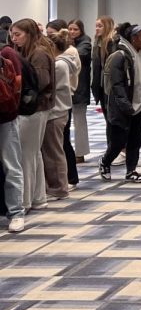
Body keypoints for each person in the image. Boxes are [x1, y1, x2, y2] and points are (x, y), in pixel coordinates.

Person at [99, 23, 141, 183]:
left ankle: (131, 171)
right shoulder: (120, 56)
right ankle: (105, 162)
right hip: (122, 108)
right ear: (133, 39)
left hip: (139, 106)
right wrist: (125, 105)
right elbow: (116, 85)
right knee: (118, 142)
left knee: (136, 141)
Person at [10, 19, 55, 212]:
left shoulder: (38, 54)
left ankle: (26, 200)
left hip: (35, 109)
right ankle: (38, 198)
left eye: (17, 34)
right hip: (38, 108)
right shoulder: (32, 52)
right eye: (12, 34)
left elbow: (41, 82)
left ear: (29, 34)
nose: (13, 38)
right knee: (33, 153)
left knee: (26, 155)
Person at [47, 18, 81, 189]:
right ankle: (68, 179)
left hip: (61, 105)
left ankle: (66, 181)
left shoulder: (63, 61)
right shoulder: (63, 60)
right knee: (63, 143)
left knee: (62, 145)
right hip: (65, 103)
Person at [42, 29, 76, 200]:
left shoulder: (59, 65)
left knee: (54, 152)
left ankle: (59, 187)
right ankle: (56, 186)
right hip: (60, 110)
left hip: (56, 112)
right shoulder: (62, 63)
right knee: (55, 150)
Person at [0, 40, 25, 232]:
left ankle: (17, 213)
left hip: (6, 119)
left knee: (11, 165)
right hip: (8, 118)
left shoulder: (5, 58)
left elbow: (16, 86)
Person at [67, 19, 92, 161]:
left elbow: (77, 55)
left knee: (79, 122)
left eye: (75, 29)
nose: (72, 32)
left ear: (81, 30)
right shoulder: (72, 43)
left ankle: (80, 153)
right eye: (70, 29)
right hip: (70, 88)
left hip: (80, 88)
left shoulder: (85, 43)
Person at [91, 16, 117, 116]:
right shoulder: (97, 42)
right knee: (106, 115)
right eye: (96, 26)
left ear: (107, 27)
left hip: (111, 85)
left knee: (111, 116)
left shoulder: (113, 43)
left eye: (100, 26)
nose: (97, 28)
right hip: (101, 84)